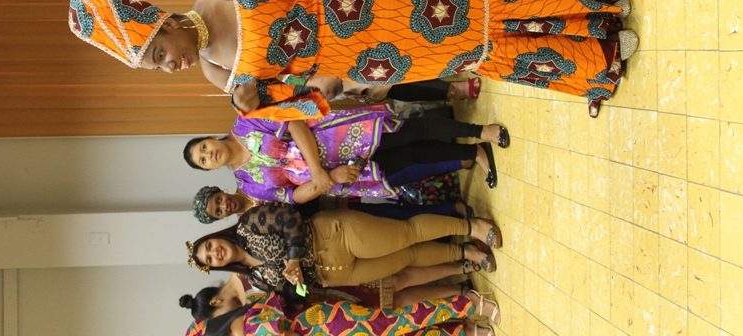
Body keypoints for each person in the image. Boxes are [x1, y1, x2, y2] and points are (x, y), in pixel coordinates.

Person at [69, 0, 636, 120]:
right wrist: (262, 106)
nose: (171, 66)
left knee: (473, 4)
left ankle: (595, 1)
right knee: (473, 54)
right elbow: (309, 99)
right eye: (159, 70)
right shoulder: (221, 74)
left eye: (159, 54)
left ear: (163, 23)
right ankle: (597, 57)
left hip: (374, 2)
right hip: (376, 58)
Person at [183, 107, 506, 199]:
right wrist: (330, 179)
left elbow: (294, 123)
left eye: (203, 148)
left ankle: (481, 131)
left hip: (340, 135)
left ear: (209, 139)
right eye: (203, 161)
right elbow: (293, 196)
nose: (209, 155)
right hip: (343, 175)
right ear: (209, 170)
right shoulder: (248, 184)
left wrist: (319, 172)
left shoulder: (245, 123)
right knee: (411, 157)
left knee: (411, 131)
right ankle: (474, 152)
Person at [185, 203, 501, 292]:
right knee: (406, 258)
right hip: (336, 274)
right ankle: (466, 253)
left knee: (407, 233)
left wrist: (293, 258)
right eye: (210, 259)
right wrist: (297, 282)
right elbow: (296, 291)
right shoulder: (255, 280)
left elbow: (290, 217)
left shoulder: (248, 225)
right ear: (217, 266)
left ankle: (472, 227)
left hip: (332, 235)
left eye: (210, 246)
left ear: (216, 237)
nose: (215, 252)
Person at [185, 275, 499, 336]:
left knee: (393, 324)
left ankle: (468, 303)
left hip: (328, 324)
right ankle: (463, 330)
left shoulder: (245, 326)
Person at [191, 184, 474, 224]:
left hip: (331, 184)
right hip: (330, 215)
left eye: (218, 200)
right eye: (218, 212)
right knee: (390, 215)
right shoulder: (248, 224)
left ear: (220, 191)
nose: (224, 206)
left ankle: (447, 184)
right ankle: (450, 210)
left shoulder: (248, 178)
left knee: (393, 184)